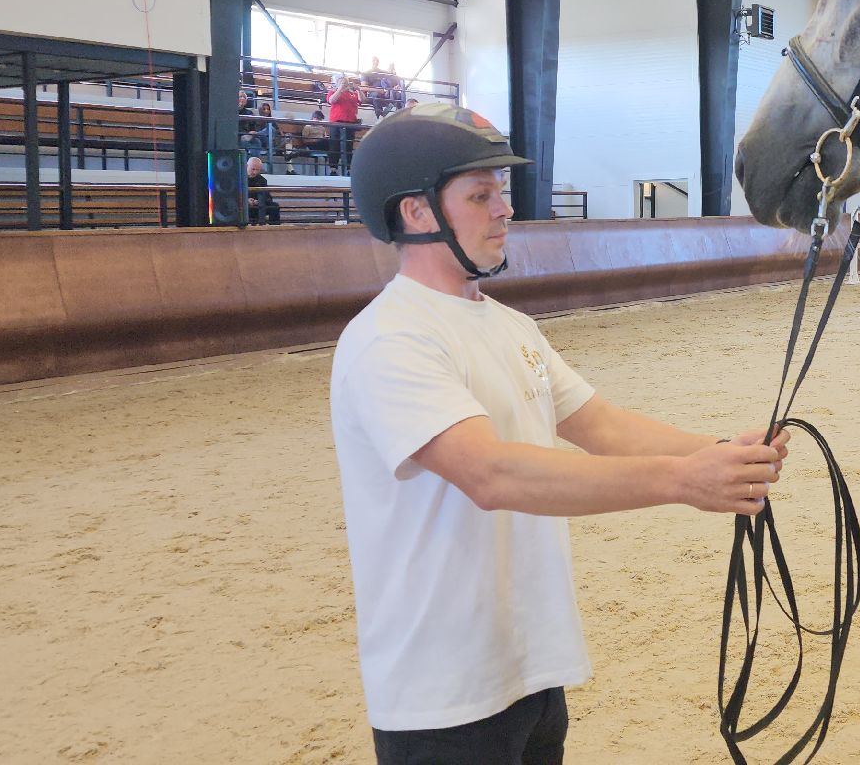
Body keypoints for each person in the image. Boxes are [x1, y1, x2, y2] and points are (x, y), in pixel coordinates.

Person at [333, 105, 788, 765]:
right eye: (480, 196)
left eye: (501, 193)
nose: (505, 209)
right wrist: (683, 481)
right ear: (417, 212)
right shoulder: (391, 338)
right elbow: (490, 474)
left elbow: (603, 426)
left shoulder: (509, 325)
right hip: (442, 691)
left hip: (530, 670)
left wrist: (720, 453)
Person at [326, 75, 362, 174]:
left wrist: (358, 89)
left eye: (346, 82)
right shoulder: (333, 91)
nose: (345, 84)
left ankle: (349, 169)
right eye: (342, 82)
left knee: (348, 145)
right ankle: (333, 169)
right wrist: (340, 89)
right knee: (334, 144)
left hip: (350, 122)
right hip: (336, 121)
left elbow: (362, 100)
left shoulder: (352, 93)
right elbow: (331, 100)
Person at [245, 155, 281, 225]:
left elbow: (268, 198)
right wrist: (246, 201)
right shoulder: (238, 178)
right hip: (243, 207)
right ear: (246, 166)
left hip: (258, 207)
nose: (255, 172)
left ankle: (274, 228)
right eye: (253, 169)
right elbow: (232, 196)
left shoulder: (262, 180)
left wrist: (258, 201)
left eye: (257, 170)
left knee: (274, 206)